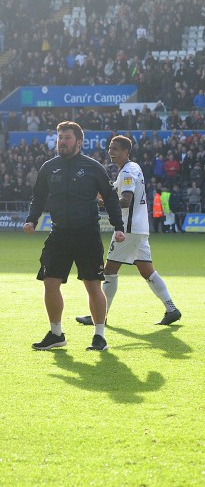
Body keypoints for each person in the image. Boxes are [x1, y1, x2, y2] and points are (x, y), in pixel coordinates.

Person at [25, 121, 126, 351]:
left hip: (87, 234)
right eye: (60, 137)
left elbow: (110, 198)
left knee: (92, 285)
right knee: (50, 283)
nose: (62, 141)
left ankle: (99, 336)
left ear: (79, 142)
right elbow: (38, 197)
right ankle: (56, 333)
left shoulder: (93, 167)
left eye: (67, 138)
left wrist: (118, 226)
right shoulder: (49, 167)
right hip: (59, 233)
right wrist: (32, 218)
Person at [74, 136, 182, 327]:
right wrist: (101, 198)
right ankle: (172, 309)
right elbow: (115, 194)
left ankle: (100, 315)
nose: (111, 152)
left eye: (115, 149)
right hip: (139, 228)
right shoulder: (133, 168)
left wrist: (97, 202)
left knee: (109, 271)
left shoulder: (127, 173)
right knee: (148, 271)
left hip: (128, 228)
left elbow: (125, 201)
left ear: (126, 151)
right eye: (109, 148)